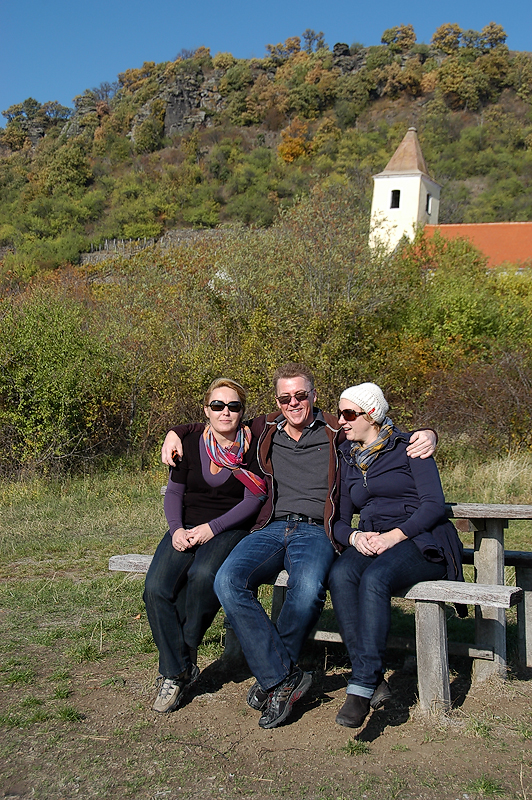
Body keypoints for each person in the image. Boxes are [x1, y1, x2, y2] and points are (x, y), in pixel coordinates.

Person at [161, 364, 438, 729]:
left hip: (316, 531)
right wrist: (176, 431)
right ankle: (283, 677)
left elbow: (379, 428)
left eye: (300, 395)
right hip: (270, 528)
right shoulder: (265, 428)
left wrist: (429, 434)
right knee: (227, 580)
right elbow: (219, 421)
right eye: (284, 398)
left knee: (306, 590)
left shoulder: (336, 430)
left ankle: (276, 677)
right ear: (277, 401)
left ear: (313, 396)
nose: (293, 403)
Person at [328, 382, 464, 729]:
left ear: (371, 415)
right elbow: (338, 519)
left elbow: (433, 505)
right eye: (339, 413)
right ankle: (373, 679)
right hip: (374, 538)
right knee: (341, 574)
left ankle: (361, 685)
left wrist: (395, 536)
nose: (341, 420)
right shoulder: (347, 457)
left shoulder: (409, 448)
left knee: (376, 578)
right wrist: (355, 536)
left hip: (420, 539)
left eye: (348, 413)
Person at [144, 378, 266, 714]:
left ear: (242, 411)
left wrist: (211, 529)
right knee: (155, 589)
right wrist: (176, 530)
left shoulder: (252, 447)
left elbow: (253, 499)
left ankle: (173, 671)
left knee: (203, 576)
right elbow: (175, 492)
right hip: (185, 527)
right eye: (217, 405)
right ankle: (180, 667)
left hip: (228, 529)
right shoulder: (188, 442)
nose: (225, 412)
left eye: (233, 406)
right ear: (206, 411)